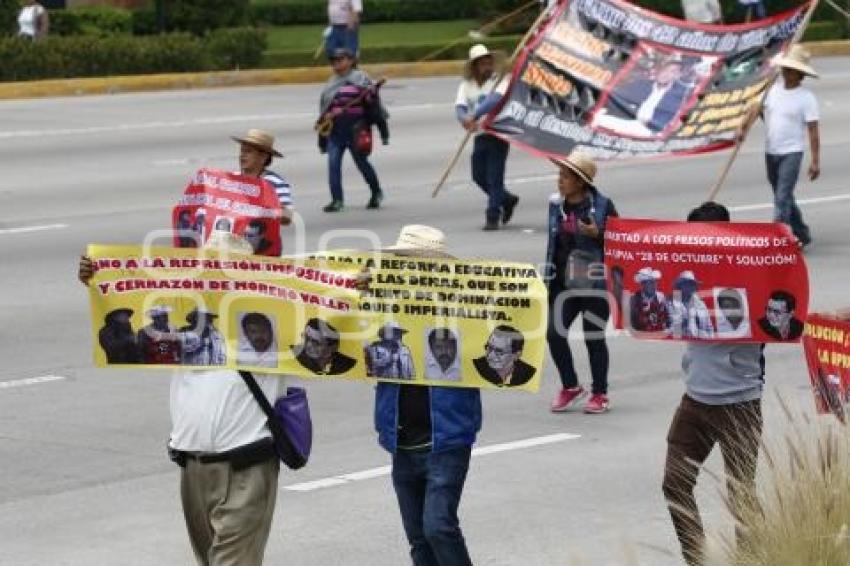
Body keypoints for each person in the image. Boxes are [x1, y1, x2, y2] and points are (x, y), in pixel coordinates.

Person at [79, 233, 286, 566]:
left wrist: (358, 288)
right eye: (211, 269)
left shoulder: (273, 319)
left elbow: (329, 303)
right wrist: (97, 275)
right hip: (192, 465)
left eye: (228, 270)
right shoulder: (187, 322)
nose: (217, 278)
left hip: (246, 464)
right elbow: (132, 295)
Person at [662, 201, 765, 566]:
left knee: (741, 495)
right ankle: (697, 560)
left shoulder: (754, 274)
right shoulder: (688, 275)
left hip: (739, 402)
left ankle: (753, 560)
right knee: (675, 484)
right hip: (695, 400)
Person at [372, 225, 480, 566]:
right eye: (403, 262)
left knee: (439, 527)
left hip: (445, 439)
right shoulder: (385, 306)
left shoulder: (461, 306)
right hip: (402, 440)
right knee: (419, 539)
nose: (407, 269)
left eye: (414, 262)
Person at [546, 152, 617, 414]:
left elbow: (621, 242)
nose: (560, 180)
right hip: (563, 285)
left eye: (565, 176)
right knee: (553, 334)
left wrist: (598, 235)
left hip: (594, 286)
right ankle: (571, 386)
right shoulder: (556, 205)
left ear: (580, 181)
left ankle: (600, 393)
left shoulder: (602, 206)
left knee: (593, 338)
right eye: (560, 175)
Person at [761, 45, 820, 247]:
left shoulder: (806, 98)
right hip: (771, 150)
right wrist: (743, 127)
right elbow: (756, 109)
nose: (787, 73)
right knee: (783, 195)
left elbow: (813, 131)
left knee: (781, 197)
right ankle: (802, 232)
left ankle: (780, 240)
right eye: (785, 69)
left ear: (800, 74)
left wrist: (815, 161)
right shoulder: (772, 91)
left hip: (792, 152)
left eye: (792, 70)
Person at [455, 44, 519, 231]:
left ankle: (493, 215)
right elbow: (460, 108)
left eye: (488, 61)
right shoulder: (466, 86)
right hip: (480, 135)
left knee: (494, 177)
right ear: (474, 66)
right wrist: (464, 119)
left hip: (498, 132)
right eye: (482, 63)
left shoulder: (500, 80)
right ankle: (506, 199)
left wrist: (473, 115)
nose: (487, 65)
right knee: (478, 176)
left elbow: (495, 100)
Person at [317, 47, 389, 212]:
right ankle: (337, 200)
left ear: (350, 61)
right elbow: (325, 108)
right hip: (335, 132)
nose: (336, 63)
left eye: (340, 60)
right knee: (333, 165)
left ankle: (376, 192)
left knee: (362, 163)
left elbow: (372, 103)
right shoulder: (331, 83)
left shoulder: (361, 78)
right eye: (333, 61)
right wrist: (325, 126)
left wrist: (373, 91)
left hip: (355, 130)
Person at [598, 55, 690, 135]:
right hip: (625, 120)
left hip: (647, 130)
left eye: (672, 72)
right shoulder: (641, 84)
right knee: (599, 117)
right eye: (665, 69)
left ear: (677, 76)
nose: (665, 73)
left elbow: (667, 121)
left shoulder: (677, 98)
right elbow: (618, 97)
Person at [231, 129, 294, 228]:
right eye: (242, 151)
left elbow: (287, 217)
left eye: (248, 151)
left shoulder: (275, 182)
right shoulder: (232, 179)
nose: (242, 155)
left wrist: (266, 206)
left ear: (263, 157)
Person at [292, 317, 357, 375]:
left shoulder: (346, 365)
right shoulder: (295, 355)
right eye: (306, 338)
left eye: (315, 342)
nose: (307, 345)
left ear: (333, 348)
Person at [667, 271, 714, 339]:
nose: (689, 286)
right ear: (680, 286)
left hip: (701, 345)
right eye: (686, 284)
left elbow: (709, 328)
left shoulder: (701, 304)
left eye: (692, 284)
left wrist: (707, 338)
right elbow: (672, 328)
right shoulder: (671, 302)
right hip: (679, 344)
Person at [629, 267, 669, 332]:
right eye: (650, 283)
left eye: (655, 282)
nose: (653, 285)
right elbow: (632, 322)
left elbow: (667, 317)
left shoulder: (661, 297)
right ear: (642, 284)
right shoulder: (634, 299)